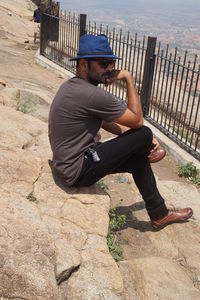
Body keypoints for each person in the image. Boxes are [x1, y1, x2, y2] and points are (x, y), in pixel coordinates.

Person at [48, 34, 193, 230]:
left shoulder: (73, 86)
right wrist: (127, 78)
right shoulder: (91, 94)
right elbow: (137, 119)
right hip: (77, 169)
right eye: (103, 63)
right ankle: (147, 152)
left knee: (138, 158)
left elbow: (106, 123)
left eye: (111, 63)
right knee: (144, 132)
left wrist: (136, 141)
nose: (109, 69)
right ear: (83, 65)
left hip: (68, 164)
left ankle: (159, 215)